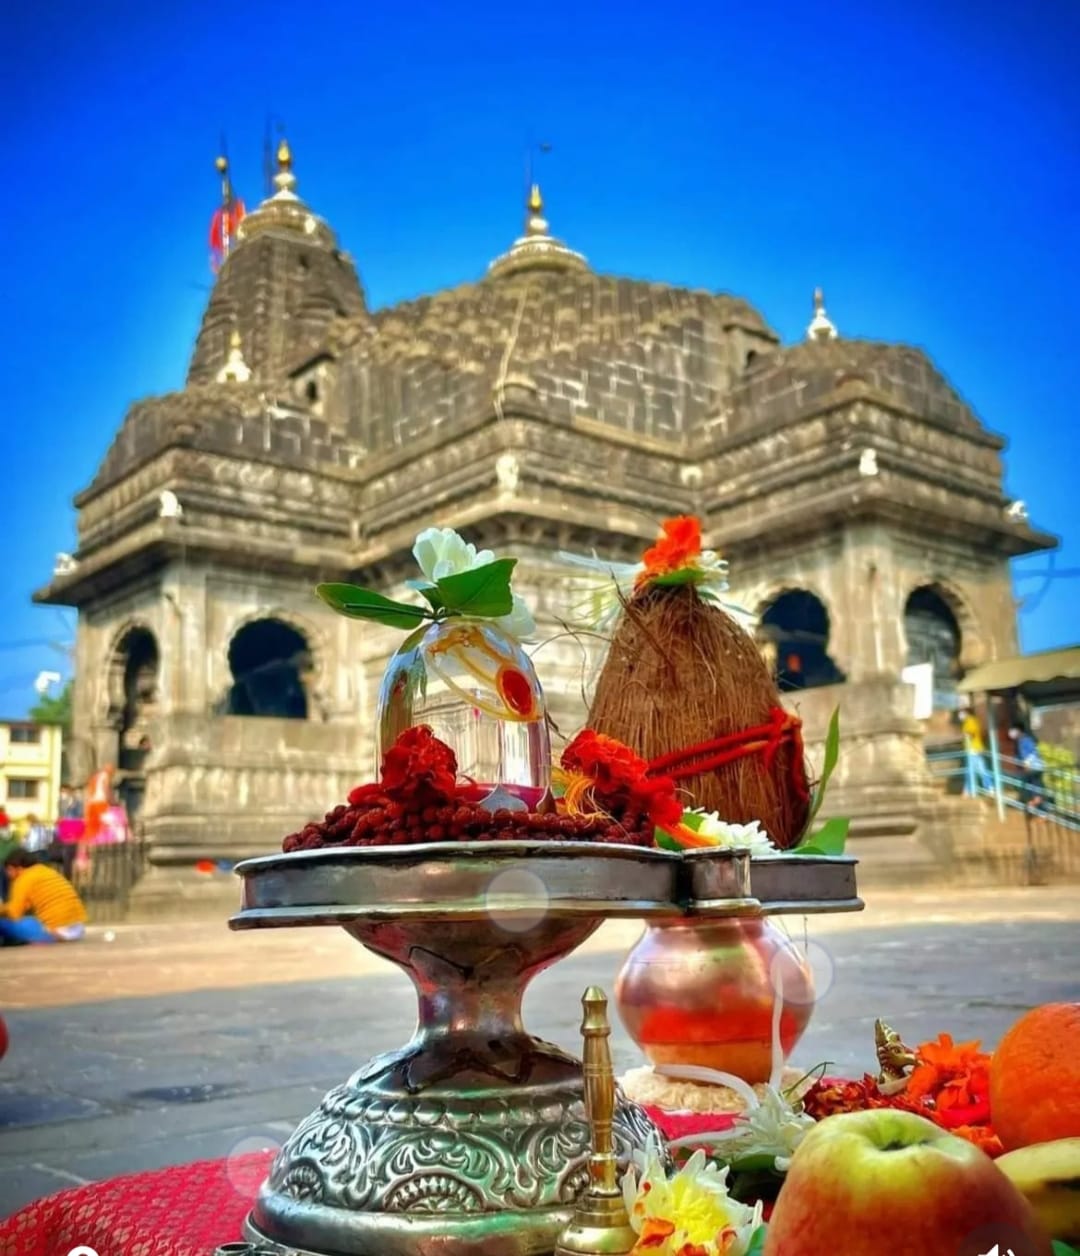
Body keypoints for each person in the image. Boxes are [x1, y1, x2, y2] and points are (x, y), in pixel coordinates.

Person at [0, 849, 87, 944]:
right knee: (30, 921)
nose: (7, 874)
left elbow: (14, 914)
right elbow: (27, 905)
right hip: (78, 929)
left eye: (8, 870)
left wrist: (2, 908)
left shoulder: (22, 880)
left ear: (16, 868)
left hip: (57, 930)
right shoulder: (45, 871)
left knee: (4, 924)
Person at [1009, 726, 1046, 813]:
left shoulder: (1026, 740)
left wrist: (1027, 762)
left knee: (1035, 786)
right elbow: (1021, 756)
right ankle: (1034, 805)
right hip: (1031, 769)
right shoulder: (1020, 742)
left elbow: (1034, 752)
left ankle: (1035, 804)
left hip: (1035, 768)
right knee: (1031, 787)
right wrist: (1017, 761)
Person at [959, 707, 992, 796]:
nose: (960, 715)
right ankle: (988, 787)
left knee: (971, 770)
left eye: (962, 713)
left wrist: (965, 734)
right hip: (974, 748)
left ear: (966, 713)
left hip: (973, 749)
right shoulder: (969, 721)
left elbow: (971, 733)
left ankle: (968, 790)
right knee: (979, 770)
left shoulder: (970, 721)